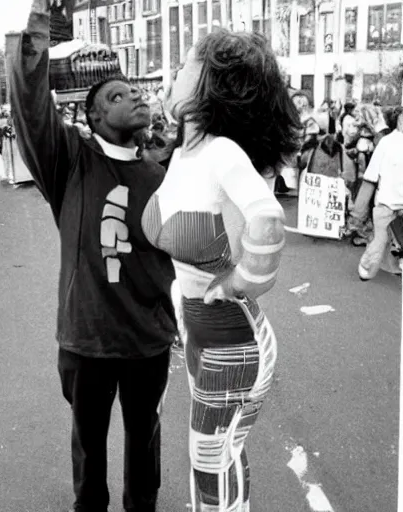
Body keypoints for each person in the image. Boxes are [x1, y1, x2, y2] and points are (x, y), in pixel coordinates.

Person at [9, 1, 178, 512]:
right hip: (87, 342)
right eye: (117, 95)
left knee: (144, 435)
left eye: (137, 91)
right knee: (90, 442)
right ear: (94, 116)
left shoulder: (166, 172)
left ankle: (141, 505)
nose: (135, 96)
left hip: (148, 338)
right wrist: (40, 21)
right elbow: (31, 106)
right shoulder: (69, 162)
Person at [142, 30, 301, 512]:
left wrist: (241, 280)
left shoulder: (221, 153)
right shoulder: (184, 156)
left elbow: (267, 218)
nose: (175, 72)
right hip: (198, 331)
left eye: (187, 64)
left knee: (211, 457)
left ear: (214, 84)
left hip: (233, 339)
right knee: (218, 454)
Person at [357, 107, 403, 281]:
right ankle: (367, 266)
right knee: (380, 240)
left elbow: (370, 176)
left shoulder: (386, 142)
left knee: (384, 239)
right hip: (387, 202)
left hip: (389, 201)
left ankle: (378, 266)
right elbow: (371, 176)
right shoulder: (386, 142)